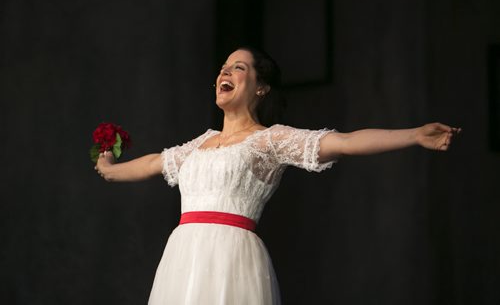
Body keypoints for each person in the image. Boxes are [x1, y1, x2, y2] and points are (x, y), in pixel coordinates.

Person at [94, 47, 461, 304]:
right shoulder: (198, 145)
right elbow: (151, 163)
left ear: (261, 86)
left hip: (231, 257)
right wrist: (108, 167)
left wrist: (413, 135)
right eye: (224, 66)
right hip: (184, 255)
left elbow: (345, 142)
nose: (225, 71)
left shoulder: (269, 140)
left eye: (239, 67)